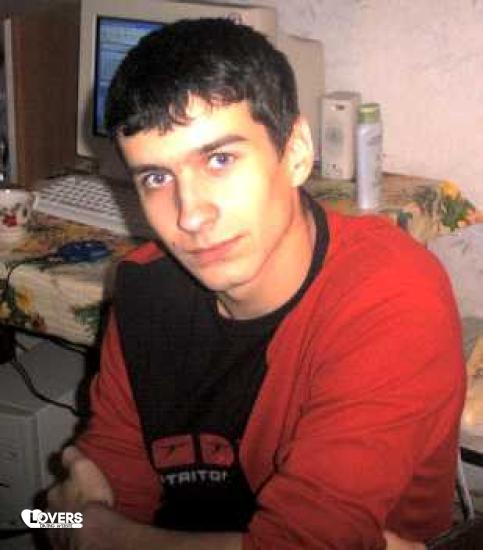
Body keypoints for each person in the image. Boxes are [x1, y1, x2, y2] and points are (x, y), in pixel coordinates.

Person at [47, 18, 465, 549]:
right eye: (156, 177)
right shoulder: (144, 287)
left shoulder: (392, 298)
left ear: (296, 152)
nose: (190, 215)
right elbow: (63, 514)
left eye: (220, 159)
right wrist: (54, 521)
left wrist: (107, 537)